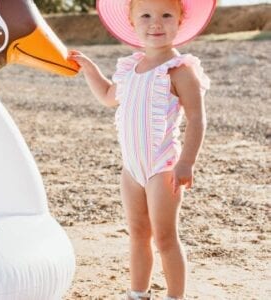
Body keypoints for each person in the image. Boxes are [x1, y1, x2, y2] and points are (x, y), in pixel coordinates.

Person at [68, 0, 216, 299]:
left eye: (166, 15)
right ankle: (138, 293)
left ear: (180, 20)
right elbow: (110, 96)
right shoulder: (129, 68)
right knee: (137, 234)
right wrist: (90, 69)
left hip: (163, 166)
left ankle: (175, 296)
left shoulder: (180, 70)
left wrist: (187, 162)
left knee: (164, 237)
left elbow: (197, 118)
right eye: (145, 16)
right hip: (131, 168)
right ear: (132, 23)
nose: (156, 23)